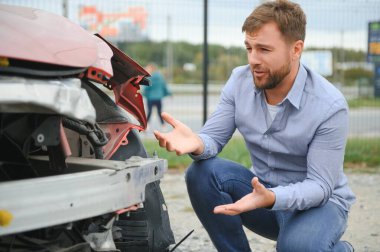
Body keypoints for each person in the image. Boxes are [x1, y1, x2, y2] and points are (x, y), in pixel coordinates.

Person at [154, 0, 356, 251]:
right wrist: (197, 143)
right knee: (201, 173)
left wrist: (272, 197)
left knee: (296, 247)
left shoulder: (329, 105)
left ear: (296, 49)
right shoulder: (239, 81)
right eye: (249, 48)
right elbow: (212, 138)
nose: (253, 59)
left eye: (264, 50)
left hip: (318, 206)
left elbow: (320, 187)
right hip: (259, 196)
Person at [143, 63, 172, 129]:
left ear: (151, 69)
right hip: (158, 98)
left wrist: (145, 94)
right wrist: (169, 94)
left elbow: (146, 88)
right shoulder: (160, 77)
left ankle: (146, 126)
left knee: (149, 112)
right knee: (159, 112)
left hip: (150, 98)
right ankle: (163, 126)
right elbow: (164, 86)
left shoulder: (149, 77)